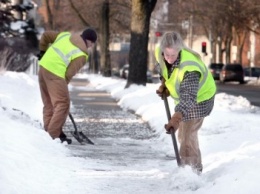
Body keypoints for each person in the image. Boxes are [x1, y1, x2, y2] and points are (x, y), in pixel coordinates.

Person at [155, 31, 216, 174]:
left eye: (173, 55)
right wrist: (165, 84)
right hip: (186, 98)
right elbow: (162, 68)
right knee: (183, 135)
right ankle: (189, 169)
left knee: (187, 137)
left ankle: (192, 173)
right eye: (167, 55)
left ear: (179, 50)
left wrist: (175, 119)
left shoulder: (189, 68)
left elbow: (188, 99)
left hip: (200, 99)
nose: (169, 59)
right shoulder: (159, 52)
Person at [37, 28, 97, 144]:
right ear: (89, 41)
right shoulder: (82, 54)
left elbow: (45, 35)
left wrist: (43, 52)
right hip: (55, 73)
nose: (91, 46)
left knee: (49, 103)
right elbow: (68, 74)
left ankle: (51, 132)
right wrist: (62, 88)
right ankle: (52, 136)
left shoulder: (65, 35)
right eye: (92, 44)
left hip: (43, 68)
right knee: (63, 103)